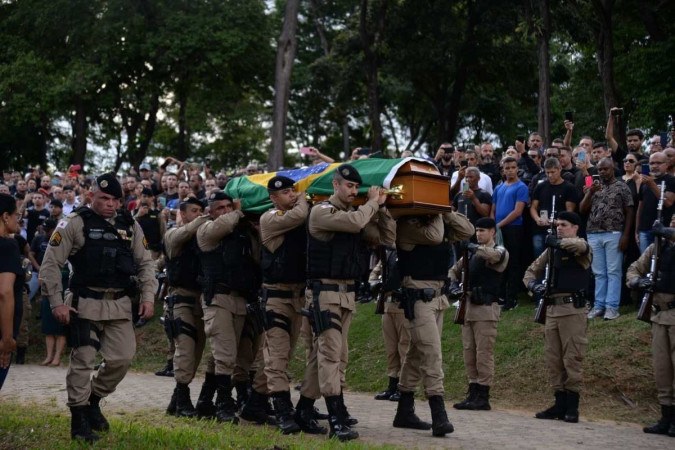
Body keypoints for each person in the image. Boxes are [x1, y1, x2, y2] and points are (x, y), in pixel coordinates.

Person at [39, 173, 158, 442]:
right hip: (84, 304)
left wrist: (149, 297)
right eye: (104, 198)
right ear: (91, 195)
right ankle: (78, 420)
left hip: (119, 305)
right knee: (83, 361)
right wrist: (56, 302)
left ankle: (92, 400)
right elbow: (50, 264)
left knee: (122, 359)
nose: (110, 204)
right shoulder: (74, 222)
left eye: (116, 199)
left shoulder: (130, 224)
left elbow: (145, 264)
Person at [306, 163, 395, 441]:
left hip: (346, 294)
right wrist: (370, 204)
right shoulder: (321, 212)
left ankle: (304, 408)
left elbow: (387, 239)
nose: (353, 191)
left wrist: (382, 210)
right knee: (331, 355)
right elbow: (355, 222)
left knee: (330, 356)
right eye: (349, 186)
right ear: (335, 185)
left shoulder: (356, 214)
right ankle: (336, 420)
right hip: (325, 293)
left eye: (357, 187)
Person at [252, 176, 325, 434]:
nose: (293, 195)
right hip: (276, 298)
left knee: (278, 356)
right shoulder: (270, 218)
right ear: (273, 198)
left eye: (294, 190)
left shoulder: (301, 216)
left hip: (297, 296)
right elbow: (296, 216)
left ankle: (255, 404)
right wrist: (304, 200)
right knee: (278, 356)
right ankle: (284, 413)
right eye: (286, 192)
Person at [393, 210, 473, 437]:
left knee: (417, 354)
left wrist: (446, 212)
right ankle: (439, 414)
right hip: (418, 298)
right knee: (431, 354)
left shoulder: (438, 220)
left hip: (437, 298)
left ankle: (404, 411)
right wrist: (438, 213)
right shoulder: (408, 223)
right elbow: (435, 237)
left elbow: (468, 230)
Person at [196, 191, 261, 424]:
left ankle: (205, 400)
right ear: (210, 212)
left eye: (227, 206)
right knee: (225, 354)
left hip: (240, 300)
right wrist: (237, 210)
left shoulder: (241, 233)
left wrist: (255, 229)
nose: (225, 211)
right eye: (220, 208)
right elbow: (223, 224)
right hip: (218, 299)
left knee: (224, 354)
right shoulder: (206, 230)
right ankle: (224, 405)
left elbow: (257, 257)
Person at [523, 211, 592, 424]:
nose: (559, 228)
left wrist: (557, 243)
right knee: (553, 359)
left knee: (572, 357)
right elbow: (530, 272)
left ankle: (572, 406)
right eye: (557, 225)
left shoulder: (581, 246)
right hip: (551, 310)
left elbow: (579, 247)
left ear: (575, 228)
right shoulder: (551, 250)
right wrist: (534, 286)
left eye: (564, 224)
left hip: (572, 309)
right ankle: (559, 402)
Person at [448, 217, 508, 411]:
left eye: (483, 230)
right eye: (477, 230)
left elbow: (494, 256)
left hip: (486, 308)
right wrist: (453, 285)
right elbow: (453, 271)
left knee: (484, 353)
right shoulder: (470, 254)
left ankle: (483, 394)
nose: (479, 234)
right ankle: (473, 391)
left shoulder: (498, 250)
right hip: (468, 307)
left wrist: (472, 247)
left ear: (492, 232)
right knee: (469, 352)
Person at [162, 197, 212, 418]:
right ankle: (182, 399)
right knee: (185, 348)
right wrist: (203, 219)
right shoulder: (173, 235)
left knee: (197, 350)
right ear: (181, 214)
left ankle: (176, 400)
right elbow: (185, 232)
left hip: (200, 301)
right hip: (180, 300)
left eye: (201, 210)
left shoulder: (200, 237)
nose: (199, 214)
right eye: (194, 210)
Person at [627, 218, 675, 437]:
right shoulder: (658, 247)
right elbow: (634, 269)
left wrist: (665, 231)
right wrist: (638, 282)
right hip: (658, 314)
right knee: (662, 370)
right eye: (671, 221)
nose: (671, 224)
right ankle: (666, 417)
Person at [580, 157, 634, 320]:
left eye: (606, 169)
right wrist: (590, 192)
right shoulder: (594, 188)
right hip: (593, 233)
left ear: (613, 168)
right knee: (598, 272)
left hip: (614, 233)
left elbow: (630, 211)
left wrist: (625, 235)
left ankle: (612, 307)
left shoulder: (621, 187)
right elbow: (582, 209)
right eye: (600, 170)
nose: (602, 172)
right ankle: (599, 306)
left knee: (613, 271)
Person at [370, 253, 410, 403]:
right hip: (388, 304)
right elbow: (376, 271)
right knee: (391, 349)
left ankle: (404, 386)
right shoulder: (389, 254)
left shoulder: (409, 251)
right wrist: (374, 283)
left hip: (403, 305)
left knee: (404, 347)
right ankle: (392, 384)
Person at [491, 156, 529, 310]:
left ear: (517, 168)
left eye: (513, 167)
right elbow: (492, 210)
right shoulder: (498, 187)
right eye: (507, 168)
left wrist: (499, 225)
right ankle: (500, 296)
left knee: (512, 263)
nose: (510, 170)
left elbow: (518, 211)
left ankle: (512, 298)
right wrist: (492, 225)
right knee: (499, 261)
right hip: (498, 229)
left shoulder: (521, 187)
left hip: (513, 228)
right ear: (503, 170)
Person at [32, 219, 67, 366]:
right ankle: (48, 356)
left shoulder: (67, 243)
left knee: (61, 326)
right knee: (48, 325)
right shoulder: (43, 241)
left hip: (64, 285)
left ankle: (57, 357)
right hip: (48, 285)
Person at [0, 193, 22, 390]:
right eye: (17, 215)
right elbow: (5, 292)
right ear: (5, 216)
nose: (18, 220)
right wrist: (7, 339)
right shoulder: (7, 245)